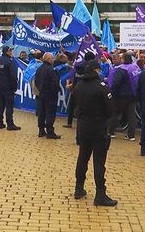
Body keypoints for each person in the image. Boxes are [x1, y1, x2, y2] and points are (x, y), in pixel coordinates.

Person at [71, 60, 117, 206]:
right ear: (97, 70)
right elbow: (110, 110)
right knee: (99, 162)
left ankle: (79, 188)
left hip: (83, 128)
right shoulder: (102, 87)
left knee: (82, 158)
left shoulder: (79, 86)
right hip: (98, 129)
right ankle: (100, 194)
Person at [107, 53, 139, 141]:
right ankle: (131, 135)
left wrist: (112, 92)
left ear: (123, 59)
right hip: (132, 95)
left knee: (115, 113)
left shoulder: (121, 69)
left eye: (121, 58)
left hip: (120, 95)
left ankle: (111, 131)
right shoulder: (135, 68)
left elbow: (116, 83)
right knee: (131, 115)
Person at [34, 52, 61, 139]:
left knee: (42, 113)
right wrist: (55, 91)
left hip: (41, 94)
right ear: (48, 59)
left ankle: (41, 130)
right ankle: (50, 132)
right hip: (50, 95)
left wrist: (41, 89)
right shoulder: (51, 70)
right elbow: (55, 83)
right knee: (50, 113)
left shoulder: (39, 69)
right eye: (52, 58)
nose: (53, 60)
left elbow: (36, 82)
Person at [0, 46, 21, 130]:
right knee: (9, 105)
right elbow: (13, 76)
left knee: (0, 105)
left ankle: (0, 123)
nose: (11, 52)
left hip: (0, 87)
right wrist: (14, 87)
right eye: (10, 51)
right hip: (8, 87)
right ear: (6, 52)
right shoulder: (9, 62)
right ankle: (10, 124)